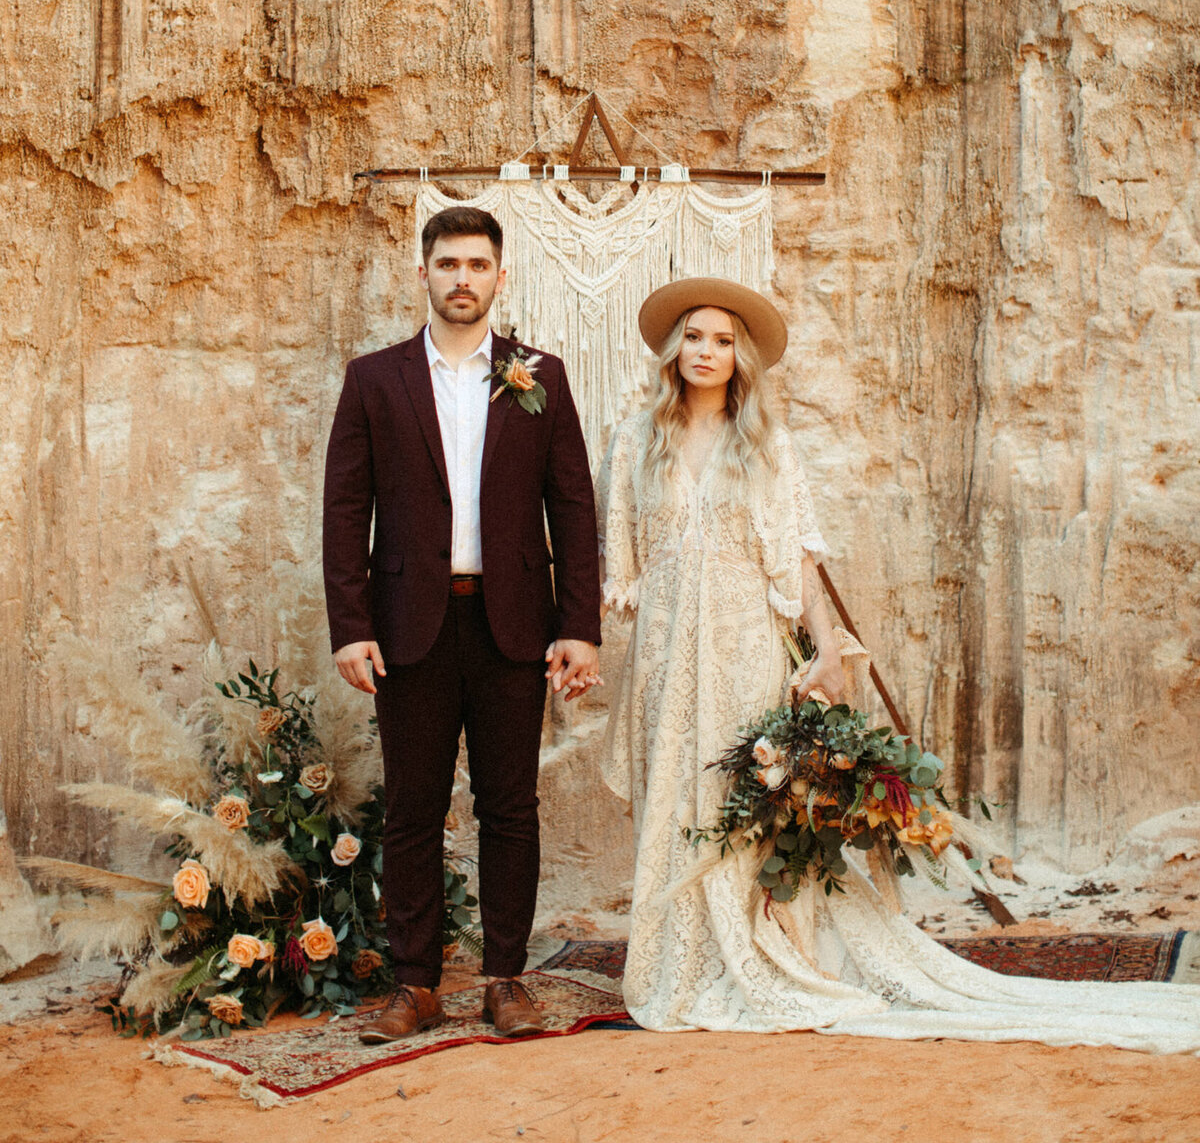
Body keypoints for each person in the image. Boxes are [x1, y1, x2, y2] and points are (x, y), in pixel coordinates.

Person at [599, 276, 1200, 1051]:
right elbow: (621, 568)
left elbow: (804, 562)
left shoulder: (769, 445)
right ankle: (674, 965)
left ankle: (767, 951)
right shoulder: (634, 441)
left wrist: (825, 654)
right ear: (673, 348)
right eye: (694, 336)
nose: (706, 351)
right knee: (674, 803)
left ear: (741, 357)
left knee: (745, 803)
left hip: (744, 644)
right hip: (665, 656)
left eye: (722, 340)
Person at [323, 205, 602, 1043]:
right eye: (448, 265)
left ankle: (504, 979)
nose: (462, 280)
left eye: (478, 265)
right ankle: (414, 985)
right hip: (408, 625)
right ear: (423, 274)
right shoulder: (375, 379)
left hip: (513, 624)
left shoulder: (537, 374)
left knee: (510, 806)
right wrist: (350, 623)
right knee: (413, 808)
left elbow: (573, 507)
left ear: (500, 276)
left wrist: (578, 624)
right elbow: (346, 511)